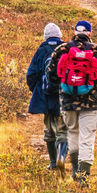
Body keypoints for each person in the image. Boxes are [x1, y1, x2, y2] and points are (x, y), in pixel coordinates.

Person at [47, 20, 97, 185]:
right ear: (90, 33)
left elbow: (51, 76)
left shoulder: (62, 49)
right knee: (87, 138)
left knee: (72, 133)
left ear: (75, 32)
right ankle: (83, 177)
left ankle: (75, 169)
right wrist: (91, 86)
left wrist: (65, 87)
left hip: (68, 102)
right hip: (91, 103)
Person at [26, 23, 66, 170]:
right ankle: (62, 157)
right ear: (60, 35)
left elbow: (31, 75)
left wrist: (37, 91)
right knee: (63, 129)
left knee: (49, 131)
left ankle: (53, 163)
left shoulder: (41, 51)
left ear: (45, 36)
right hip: (64, 96)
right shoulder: (66, 49)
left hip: (47, 96)